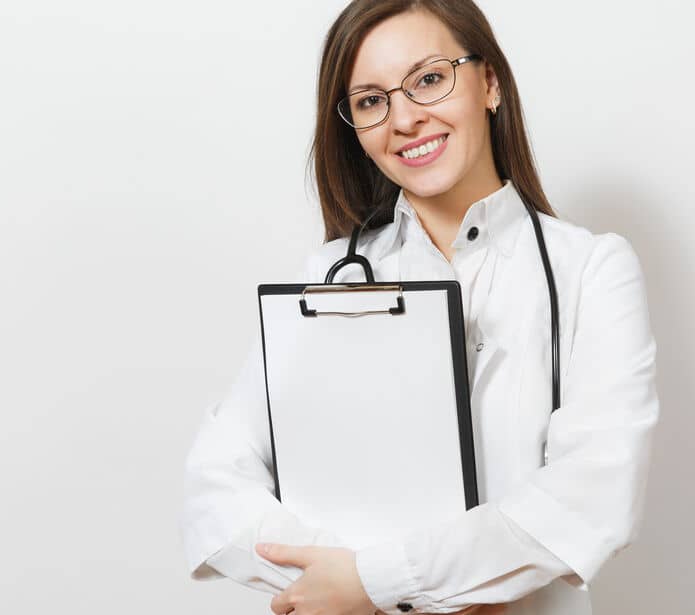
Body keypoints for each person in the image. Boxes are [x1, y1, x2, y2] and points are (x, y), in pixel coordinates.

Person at [179, 1, 659, 614]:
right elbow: (214, 486)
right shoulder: (325, 280)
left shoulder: (591, 271)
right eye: (371, 100)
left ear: (489, 83)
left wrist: (375, 584)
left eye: (429, 79)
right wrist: (351, 584)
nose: (403, 118)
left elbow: (593, 498)